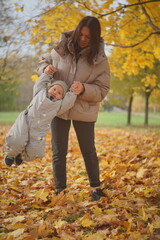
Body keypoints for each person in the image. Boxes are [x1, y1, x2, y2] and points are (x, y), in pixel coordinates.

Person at [37, 16, 111, 201]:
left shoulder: (99, 59)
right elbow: (41, 63)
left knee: (88, 150)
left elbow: (103, 89)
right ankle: (60, 191)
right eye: (82, 34)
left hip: (84, 109)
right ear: (77, 31)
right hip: (59, 106)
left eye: (89, 37)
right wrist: (45, 69)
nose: (84, 39)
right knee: (58, 151)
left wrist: (84, 89)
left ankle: (95, 189)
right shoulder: (61, 49)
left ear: (95, 38)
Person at [4, 72, 76, 166]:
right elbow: (40, 83)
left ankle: (21, 156)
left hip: (39, 130)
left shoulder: (59, 106)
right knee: (17, 140)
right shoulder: (40, 92)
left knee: (34, 152)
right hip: (25, 121)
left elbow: (68, 103)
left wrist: (73, 92)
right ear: (49, 88)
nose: (55, 93)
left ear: (62, 97)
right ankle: (11, 155)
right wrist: (47, 74)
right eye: (54, 89)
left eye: (59, 93)